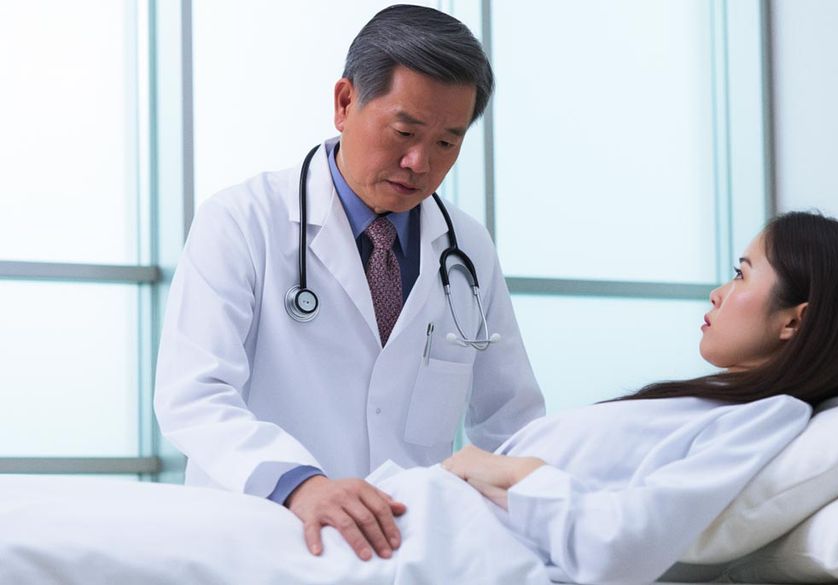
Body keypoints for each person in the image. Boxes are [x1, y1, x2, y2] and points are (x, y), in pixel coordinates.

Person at [153, 4, 545, 563]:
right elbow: (193, 395)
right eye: (405, 131)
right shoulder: (242, 221)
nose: (418, 162)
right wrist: (299, 483)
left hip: (408, 549)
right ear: (344, 103)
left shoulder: (467, 248)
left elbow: (511, 415)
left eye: (446, 143)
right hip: (262, 539)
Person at [437, 211, 838, 583]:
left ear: (794, 320)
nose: (717, 293)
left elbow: (623, 543)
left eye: (741, 274)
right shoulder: (726, 407)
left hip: (441, 545)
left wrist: (513, 472)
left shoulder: (771, 419)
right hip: (426, 524)